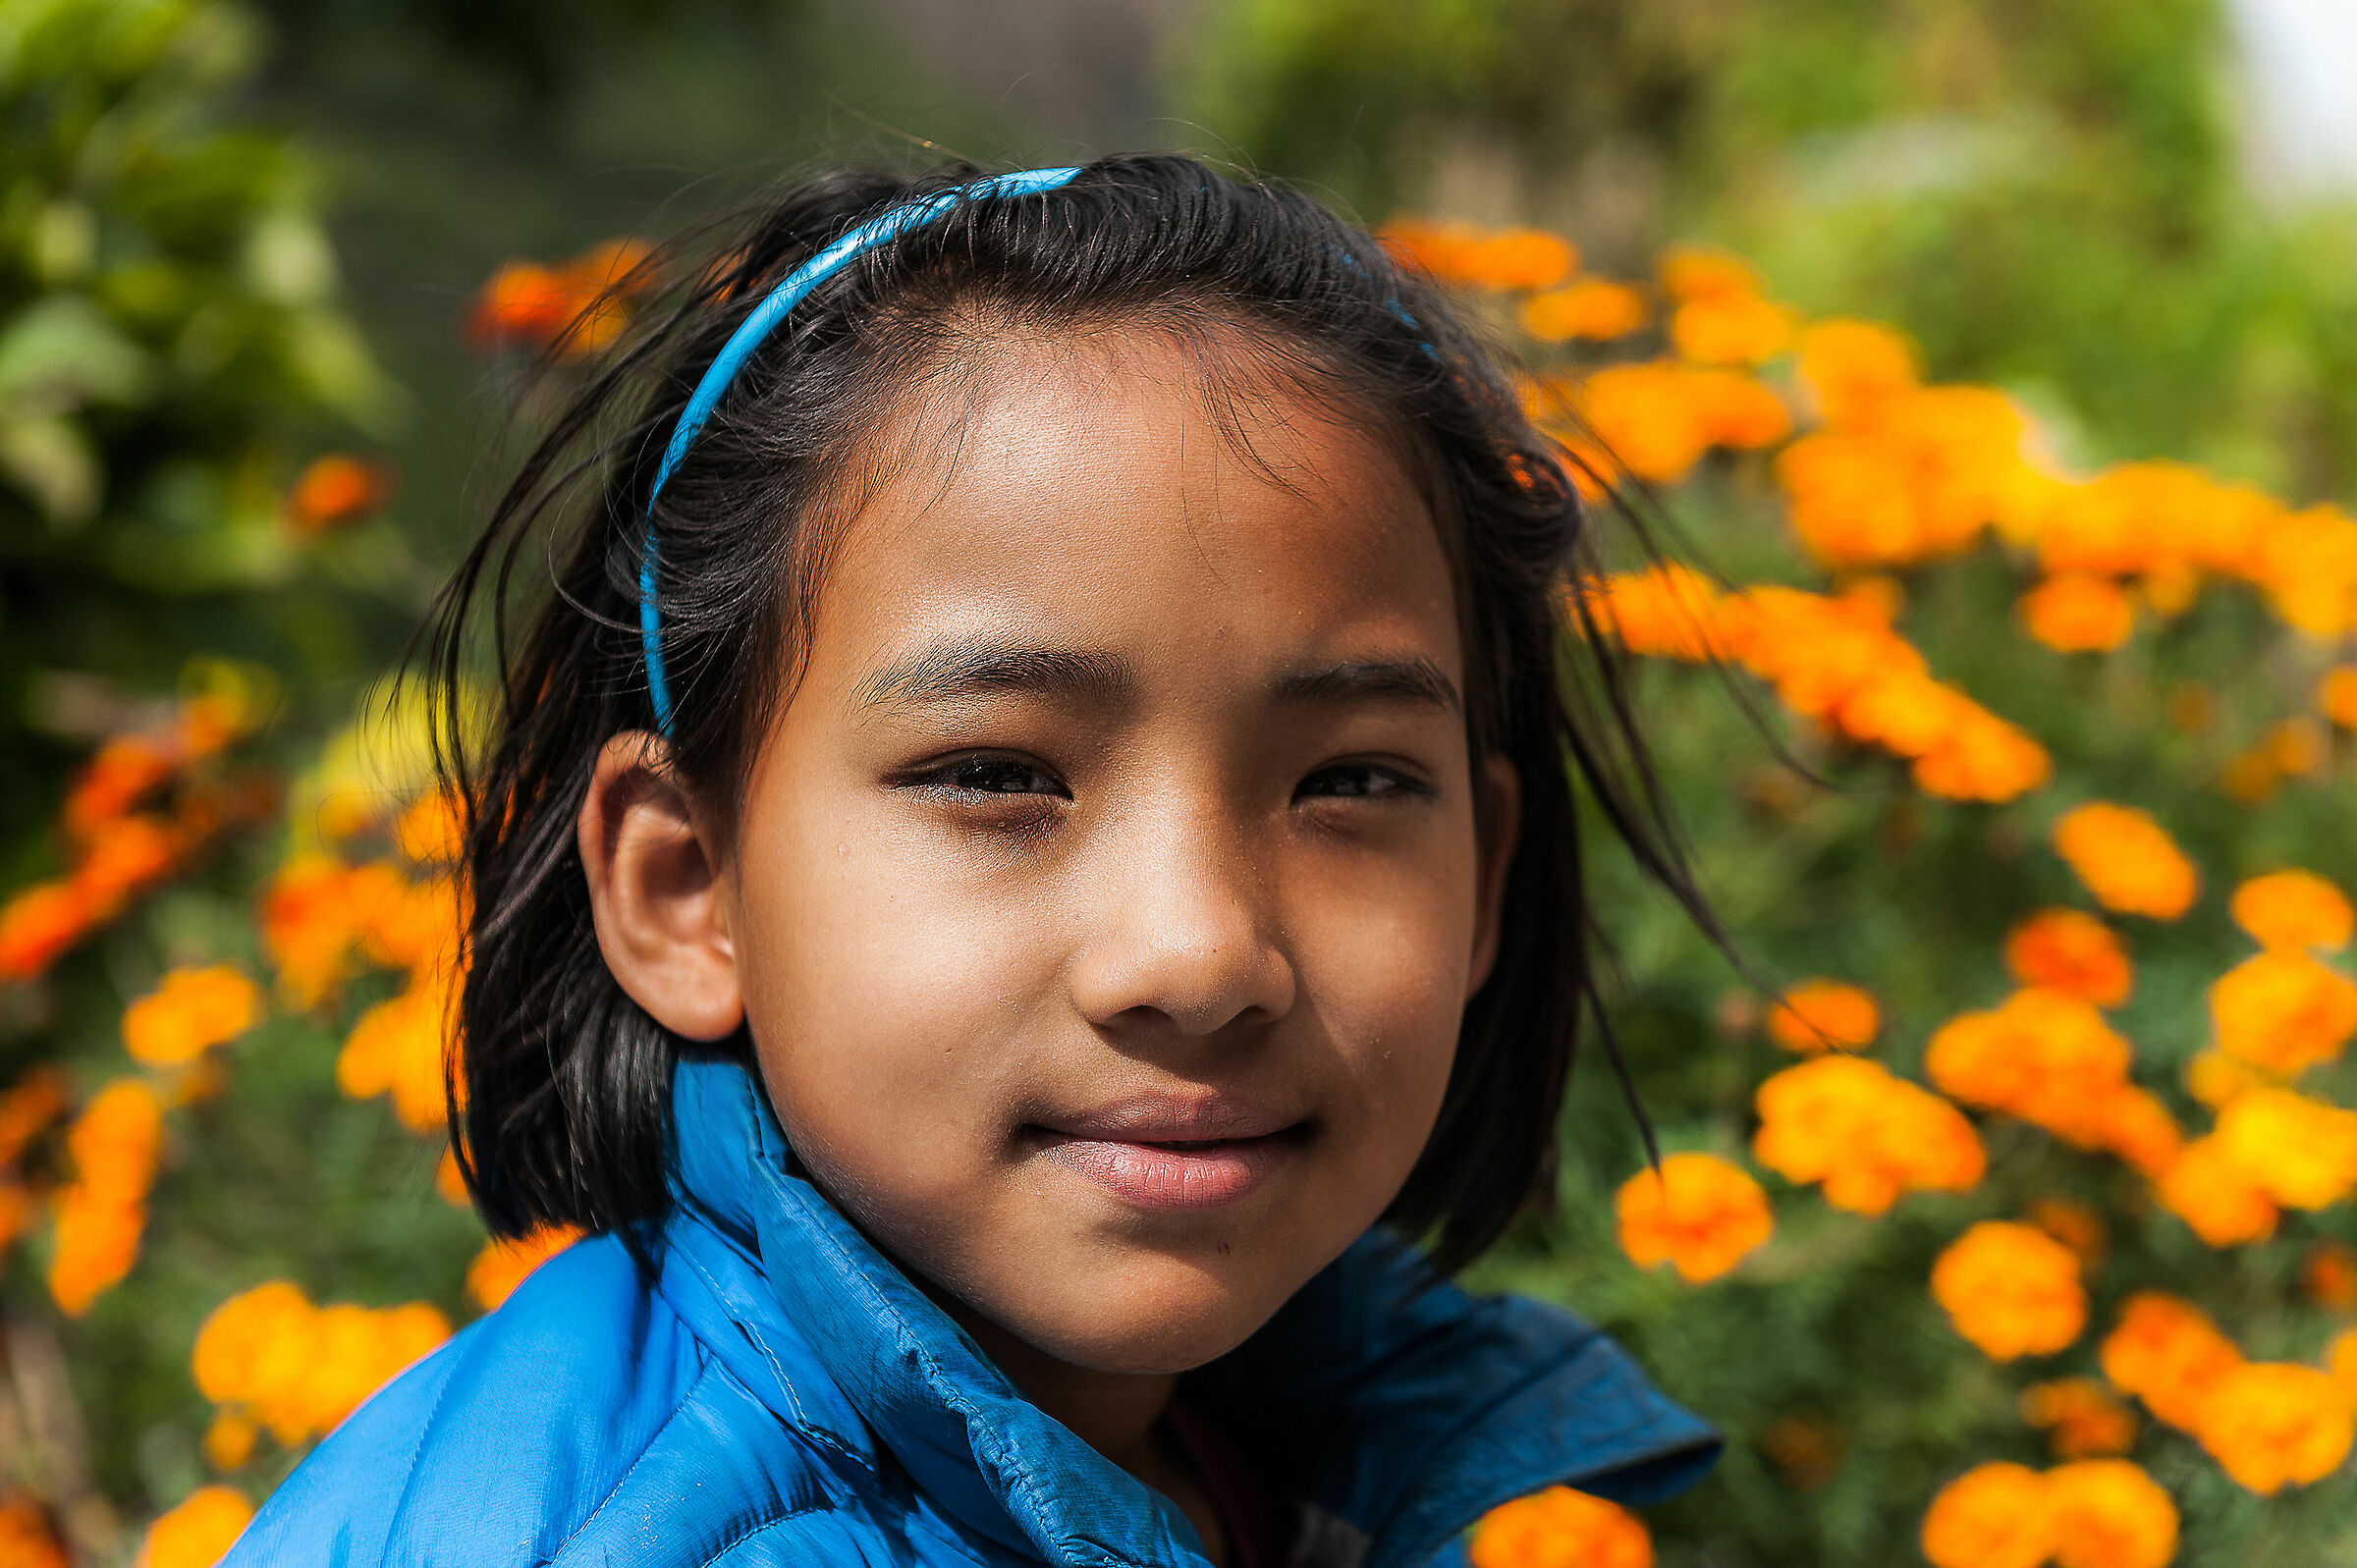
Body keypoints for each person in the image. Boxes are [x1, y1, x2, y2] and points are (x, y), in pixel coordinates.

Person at [225, 154, 1721, 1568]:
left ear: (1487, 873)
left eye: (1351, 781)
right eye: (998, 774)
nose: (1199, 953)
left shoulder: (1305, 1444)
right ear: (687, 888)